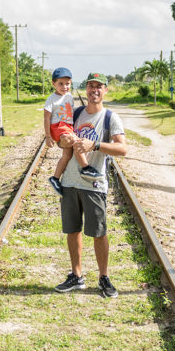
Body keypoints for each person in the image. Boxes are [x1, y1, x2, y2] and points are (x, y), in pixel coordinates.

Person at [53, 72, 128, 299]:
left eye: (99, 87)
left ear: (105, 91)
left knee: (98, 232)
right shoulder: (75, 114)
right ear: (85, 89)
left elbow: (122, 149)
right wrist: (61, 141)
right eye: (90, 86)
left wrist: (94, 145)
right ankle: (77, 276)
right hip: (70, 181)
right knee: (72, 229)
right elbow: (60, 140)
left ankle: (103, 277)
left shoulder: (110, 118)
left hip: (94, 184)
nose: (94, 90)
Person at [43, 68, 99, 194]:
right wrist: (48, 136)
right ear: (54, 84)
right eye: (60, 84)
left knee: (67, 155)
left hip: (67, 126)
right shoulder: (51, 99)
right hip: (58, 126)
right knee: (75, 141)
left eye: (67, 84)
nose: (64, 87)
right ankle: (86, 168)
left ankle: (55, 178)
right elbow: (46, 117)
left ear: (71, 83)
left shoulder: (69, 96)